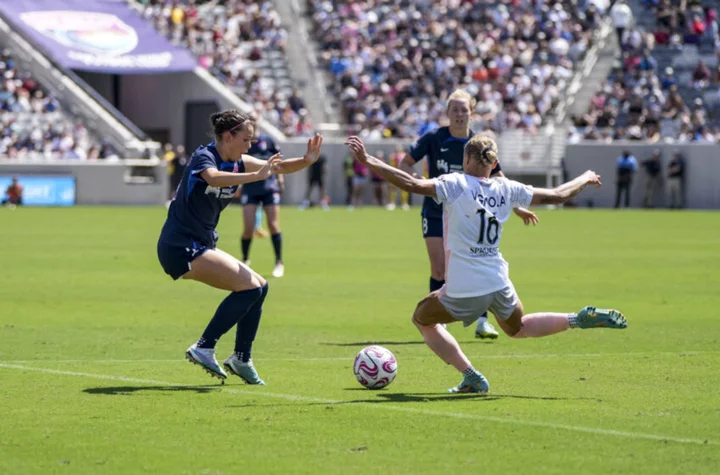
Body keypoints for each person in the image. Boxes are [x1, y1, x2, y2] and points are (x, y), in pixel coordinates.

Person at [345, 134, 626, 394]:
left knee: (421, 318)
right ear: (493, 163)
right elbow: (558, 195)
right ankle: (577, 319)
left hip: (465, 287)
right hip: (499, 281)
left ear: (467, 159)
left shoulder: (455, 183)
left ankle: (470, 375)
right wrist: (586, 176)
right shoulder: (507, 188)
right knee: (518, 328)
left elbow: (413, 184)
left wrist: (370, 160)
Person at [157, 109, 323, 384]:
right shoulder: (204, 157)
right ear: (227, 136)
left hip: (198, 243)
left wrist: (306, 160)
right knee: (250, 288)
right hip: (179, 245)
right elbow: (212, 177)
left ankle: (241, 358)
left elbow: (276, 167)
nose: (249, 145)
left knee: (260, 287)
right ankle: (204, 346)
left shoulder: (238, 161)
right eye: (246, 140)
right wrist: (255, 176)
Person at [398, 89, 538, 340]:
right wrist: (416, 180)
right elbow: (405, 162)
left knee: (475, 264)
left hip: (470, 215)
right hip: (435, 211)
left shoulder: (479, 145)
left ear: (471, 113)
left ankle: (482, 322)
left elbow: (500, 181)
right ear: (447, 113)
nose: (459, 114)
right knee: (439, 270)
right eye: (455, 110)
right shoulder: (433, 138)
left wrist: (517, 207)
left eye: (464, 110)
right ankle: (440, 325)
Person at [240, 133, 285, 277]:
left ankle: (279, 262)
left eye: (254, 118)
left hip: (269, 187)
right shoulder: (244, 140)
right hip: (250, 187)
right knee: (248, 228)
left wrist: (280, 179)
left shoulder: (268, 139)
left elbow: (278, 160)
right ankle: (245, 260)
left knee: (273, 225)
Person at [387, 145, 409, 210]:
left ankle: (404, 203)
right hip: (394, 174)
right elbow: (391, 166)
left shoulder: (404, 155)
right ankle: (392, 203)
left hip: (402, 174)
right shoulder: (393, 156)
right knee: (393, 189)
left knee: (404, 189)